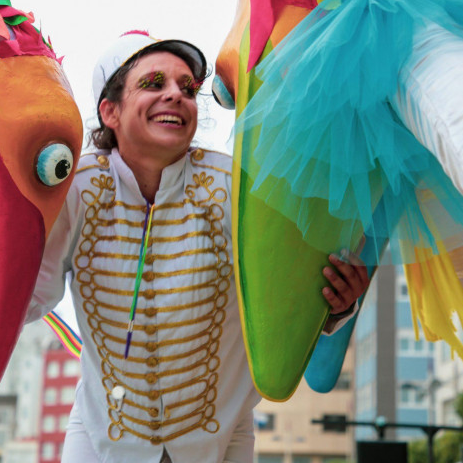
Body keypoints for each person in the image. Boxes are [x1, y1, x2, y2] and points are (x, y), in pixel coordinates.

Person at [27, 31, 370, 463]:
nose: (176, 95)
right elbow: (26, 296)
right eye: (154, 84)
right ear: (109, 111)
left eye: (187, 89)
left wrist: (337, 304)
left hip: (221, 437)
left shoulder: (237, 189)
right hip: (101, 437)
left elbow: (284, 293)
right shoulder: (73, 190)